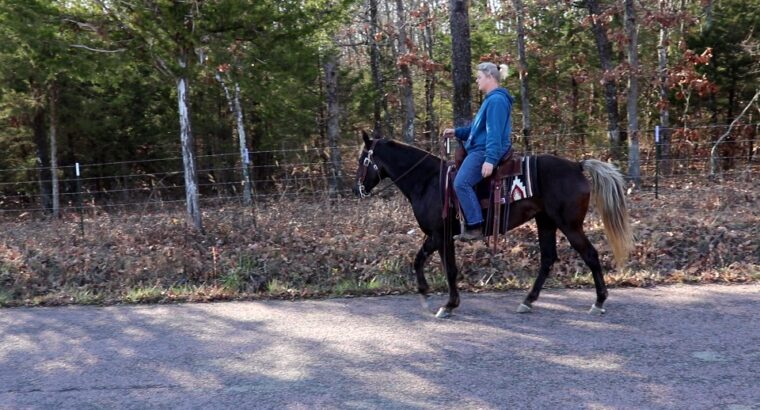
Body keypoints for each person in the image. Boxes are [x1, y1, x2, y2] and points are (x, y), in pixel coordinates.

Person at [443, 62, 514, 241]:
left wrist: (490, 159)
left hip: (484, 151)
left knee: (461, 183)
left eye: (479, 77)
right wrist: (457, 132)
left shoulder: (496, 100)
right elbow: (477, 130)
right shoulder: (491, 99)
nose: (476, 80)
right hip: (481, 147)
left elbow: (494, 133)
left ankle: (475, 226)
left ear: (490, 77)